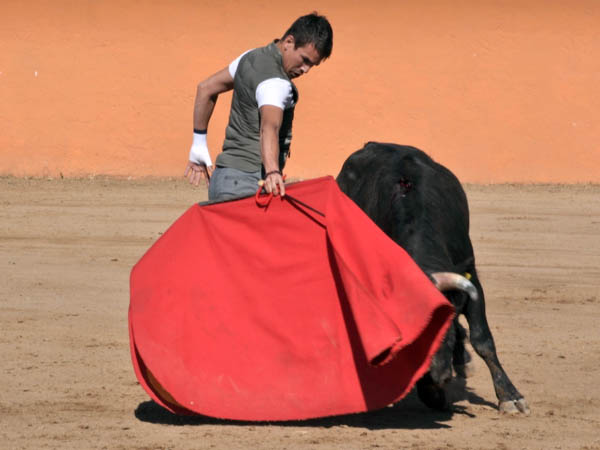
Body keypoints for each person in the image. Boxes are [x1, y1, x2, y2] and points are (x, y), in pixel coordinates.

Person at [184, 13, 333, 200]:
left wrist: (198, 145)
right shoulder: (276, 83)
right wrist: (272, 172)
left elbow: (205, 89)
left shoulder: (250, 57)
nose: (306, 70)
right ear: (288, 42)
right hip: (247, 185)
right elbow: (269, 128)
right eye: (304, 60)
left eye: (313, 65)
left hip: (223, 180)